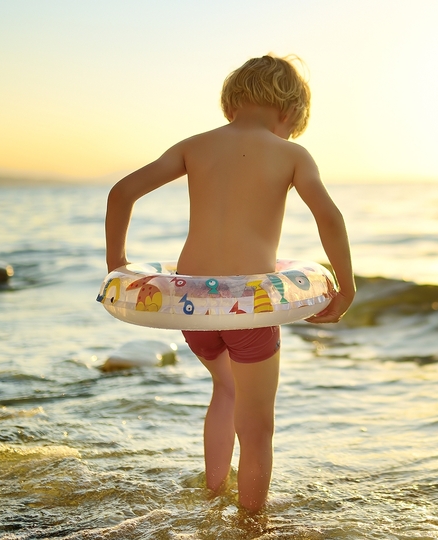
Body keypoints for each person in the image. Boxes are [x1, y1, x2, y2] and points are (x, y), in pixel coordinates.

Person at [103, 54, 355, 512]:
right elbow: (329, 217)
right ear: (291, 111)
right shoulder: (292, 154)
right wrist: (347, 285)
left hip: (193, 307)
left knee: (226, 388)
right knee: (257, 428)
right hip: (248, 309)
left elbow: (121, 193)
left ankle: (214, 491)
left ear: (232, 100)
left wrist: (117, 265)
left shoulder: (194, 145)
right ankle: (250, 523)